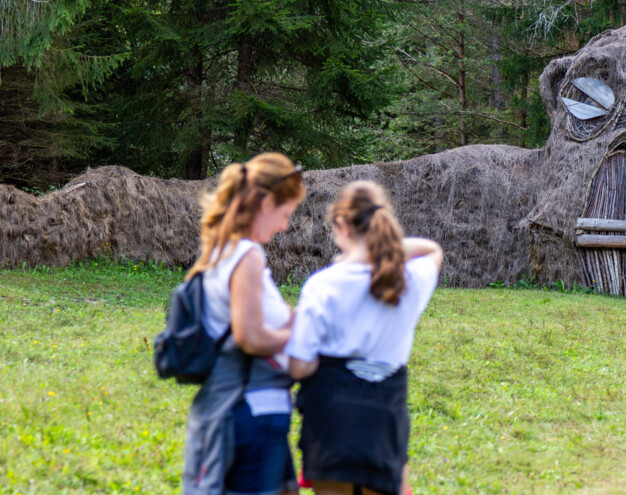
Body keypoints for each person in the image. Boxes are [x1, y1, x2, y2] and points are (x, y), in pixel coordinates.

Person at [286, 180, 443, 495]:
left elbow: (298, 367)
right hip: (385, 419)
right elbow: (432, 249)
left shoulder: (322, 285)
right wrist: (382, 251)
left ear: (342, 224)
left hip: (330, 420)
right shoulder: (410, 279)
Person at [181, 152, 305, 495]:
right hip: (252, 409)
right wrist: (299, 328)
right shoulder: (247, 255)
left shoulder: (221, 250)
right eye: (285, 214)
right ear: (265, 202)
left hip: (237, 406)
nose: (284, 226)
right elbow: (250, 336)